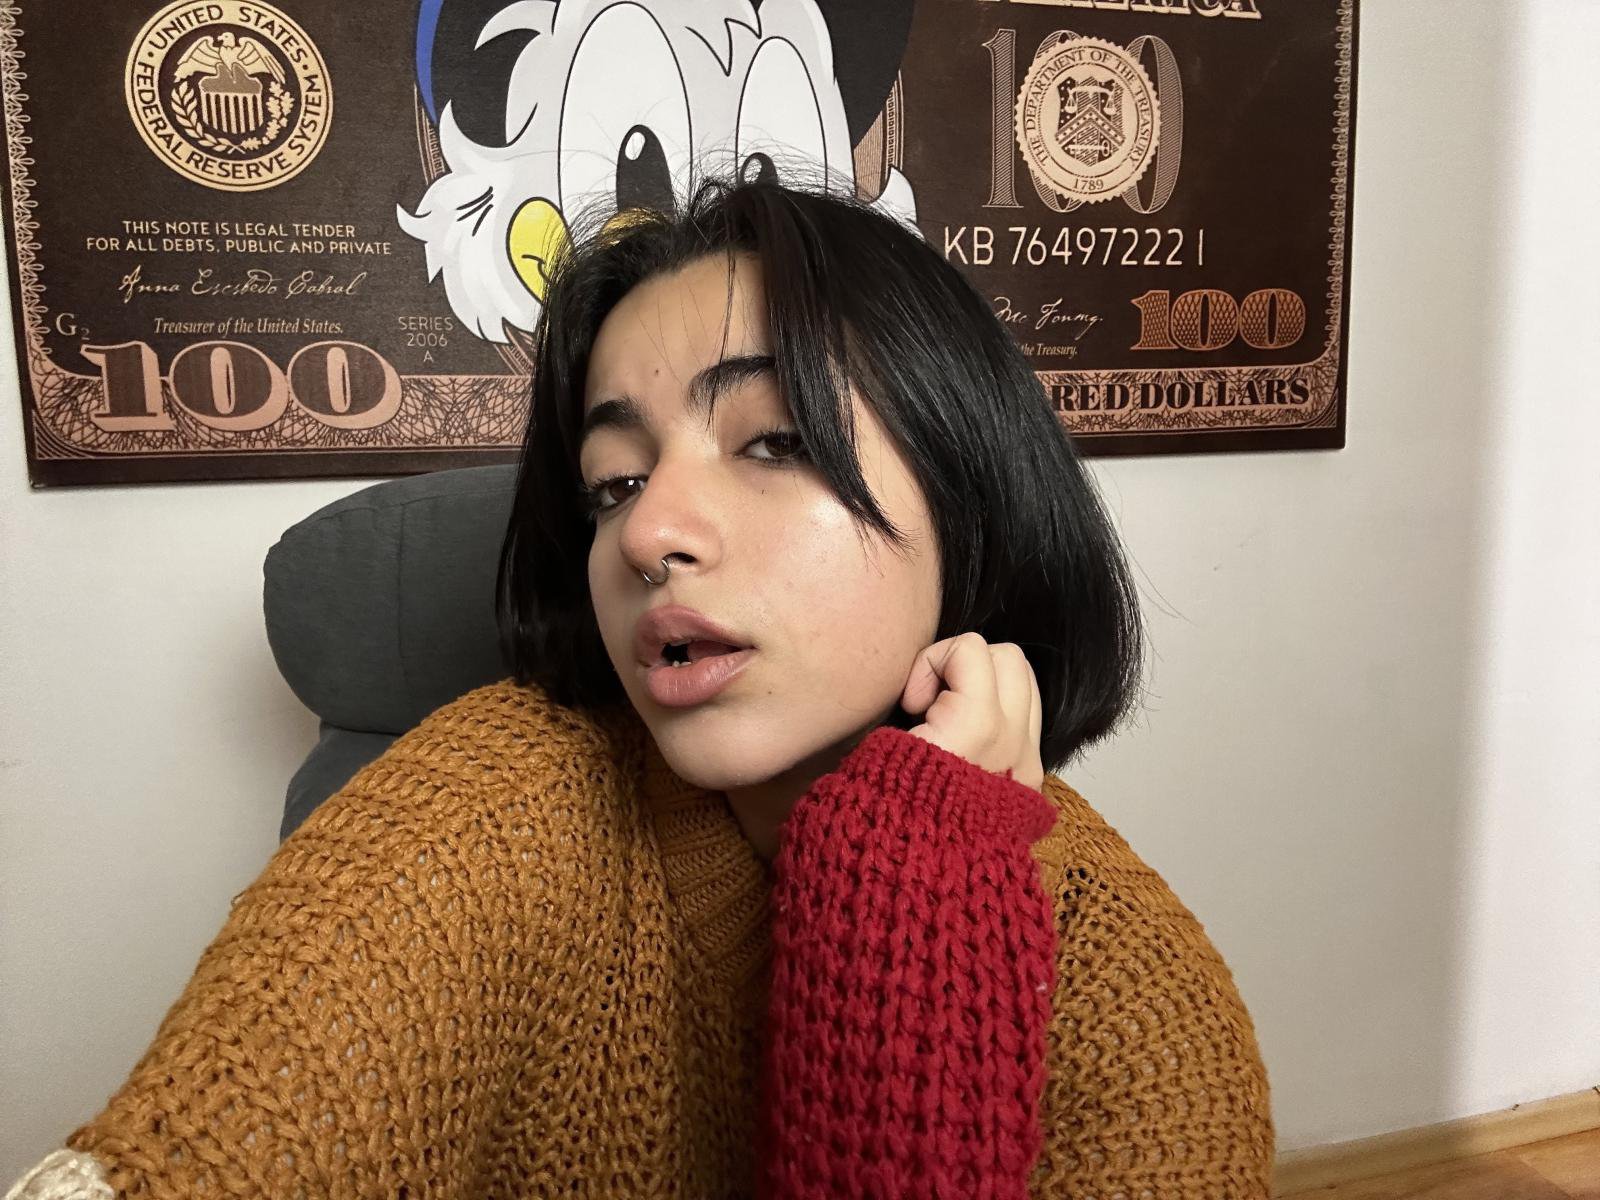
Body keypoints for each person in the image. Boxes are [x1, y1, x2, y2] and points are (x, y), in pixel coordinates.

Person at [6, 165, 1275, 1200]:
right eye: (612, 483)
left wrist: (910, 893)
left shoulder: (1137, 1014)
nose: (647, 532)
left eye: (773, 441)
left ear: (970, 493)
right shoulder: (492, 800)